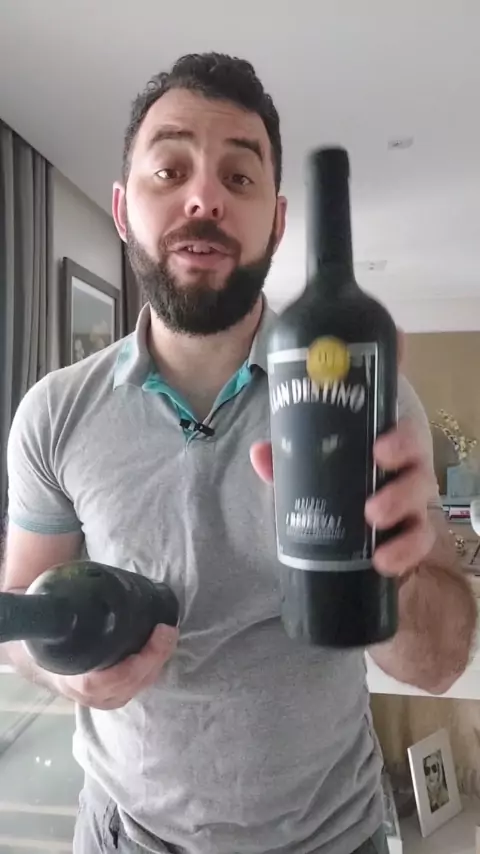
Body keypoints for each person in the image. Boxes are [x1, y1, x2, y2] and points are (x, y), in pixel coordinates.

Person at [2, 53, 476, 854]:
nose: (204, 198)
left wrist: (390, 569)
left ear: (278, 222)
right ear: (122, 208)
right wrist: (61, 669)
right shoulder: (53, 413)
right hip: (123, 837)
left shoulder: (364, 395)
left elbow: (441, 663)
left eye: (239, 176)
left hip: (333, 838)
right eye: (169, 169)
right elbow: (20, 607)